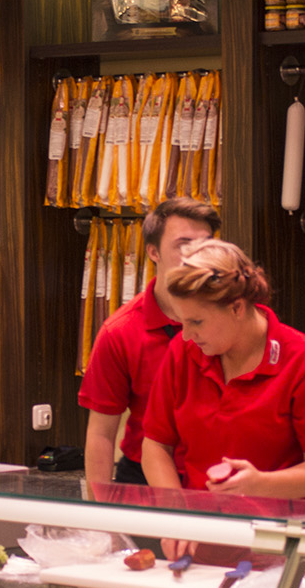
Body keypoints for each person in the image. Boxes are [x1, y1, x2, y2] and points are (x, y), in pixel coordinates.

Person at [140, 240, 305, 557]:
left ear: (236, 307)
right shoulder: (183, 353)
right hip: (198, 543)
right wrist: (176, 511)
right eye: (182, 322)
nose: (186, 335)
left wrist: (258, 483)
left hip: (280, 548)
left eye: (196, 322)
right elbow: (155, 444)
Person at [79, 197, 220, 485]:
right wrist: (100, 519)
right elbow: (101, 434)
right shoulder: (120, 331)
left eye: (205, 245)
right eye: (183, 245)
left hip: (220, 474)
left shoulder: (232, 319)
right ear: (153, 251)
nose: (196, 255)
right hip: (144, 474)